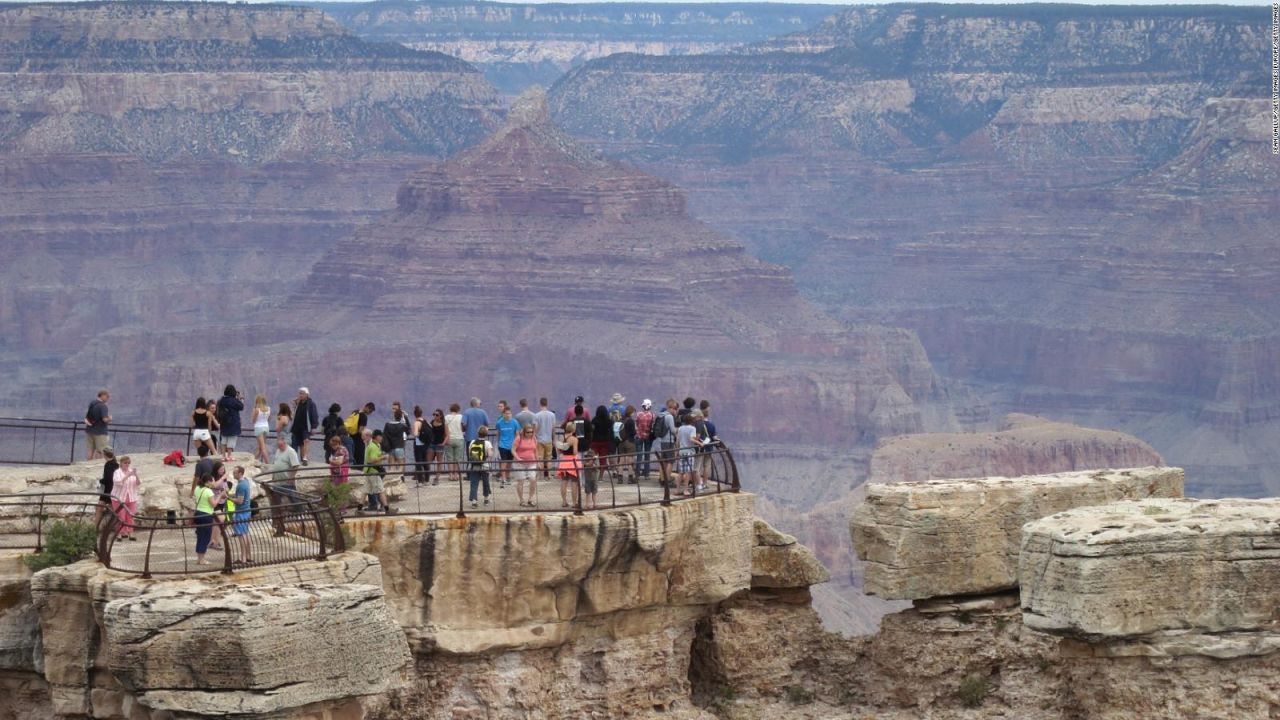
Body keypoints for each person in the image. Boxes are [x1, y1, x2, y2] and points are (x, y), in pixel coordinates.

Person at [676, 409, 706, 496]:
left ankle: (677, 490)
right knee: (688, 472)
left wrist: (677, 451)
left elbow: (677, 441)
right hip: (689, 452)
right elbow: (691, 439)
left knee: (680, 472)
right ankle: (685, 490)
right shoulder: (692, 428)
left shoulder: (680, 428)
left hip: (681, 451)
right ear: (691, 421)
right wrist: (700, 443)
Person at [110, 455, 140, 540]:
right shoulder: (117, 472)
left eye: (128, 463)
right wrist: (128, 476)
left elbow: (137, 483)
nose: (127, 464)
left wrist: (136, 475)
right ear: (121, 463)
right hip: (119, 498)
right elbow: (118, 482)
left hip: (131, 497)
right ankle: (120, 533)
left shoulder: (131, 471)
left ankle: (130, 532)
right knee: (120, 516)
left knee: (130, 516)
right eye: (125, 463)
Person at [229, 466, 253, 565]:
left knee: (241, 535)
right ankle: (248, 556)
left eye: (235, 473)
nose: (233, 475)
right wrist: (232, 495)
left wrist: (228, 498)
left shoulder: (241, 485)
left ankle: (243, 559)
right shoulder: (245, 482)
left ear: (240, 473)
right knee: (246, 533)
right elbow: (240, 496)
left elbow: (239, 501)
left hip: (241, 512)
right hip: (246, 511)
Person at [555, 420, 581, 508]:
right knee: (574, 483)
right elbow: (574, 452)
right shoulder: (574, 439)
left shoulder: (562, 438)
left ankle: (564, 501)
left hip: (564, 462)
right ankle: (574, 503)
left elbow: (559, 450)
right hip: (572, 462)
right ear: (574, 430)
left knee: (564, 482)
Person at [466, 426, 493, 508]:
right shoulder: (487, 443)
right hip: (484, 465)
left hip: (474, 465)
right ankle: (486, 499)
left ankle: (474, 502)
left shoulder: (472, 442)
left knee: (474, 483)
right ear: (486, 434)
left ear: (478, 433)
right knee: (485, 482)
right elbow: (490, 454)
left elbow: (469, 452)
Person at [216, 385, 245, 462]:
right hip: (233, 423)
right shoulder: (233, 400)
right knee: (231, 439)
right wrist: (241, 399)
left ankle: (223, 456)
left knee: (224, 440)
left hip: (224, 422)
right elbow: (241, 407)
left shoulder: (222, 400)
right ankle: (229, 455)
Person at [192, 475, 217, 566]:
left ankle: (200, 558)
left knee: (200, 536)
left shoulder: (197, 488)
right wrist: (220, 496)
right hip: (206, 515)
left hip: (198, 513)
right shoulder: (208, 491)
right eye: (213, 481)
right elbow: (213, 504)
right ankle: (202, 559)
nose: (214, 482)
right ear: (208, 481)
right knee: (205, 537)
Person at [291, 387, 319, 465]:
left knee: (306, 441)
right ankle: (301, 459)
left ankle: (305, 458)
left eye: (302, 393)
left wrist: (314, 427)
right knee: (300, 443)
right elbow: (293, 413)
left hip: (306, 426)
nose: (300, 395)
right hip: (297, 426)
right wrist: (294, 404)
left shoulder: (311, 404)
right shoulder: (298, 403)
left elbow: (314, 415)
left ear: (307, 395)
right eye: (299, 393)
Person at [493, 406, 519, 488]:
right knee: (503, 462)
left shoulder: (515, 422)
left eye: (510, 413)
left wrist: (517, 444)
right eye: (506, 413)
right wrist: (497, 443)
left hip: (511, 446)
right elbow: (498, 433)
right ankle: (503, 479)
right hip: (502, 445)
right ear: (503, 414)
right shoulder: (499, 423)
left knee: (509, 463)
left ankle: (507, 477)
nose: (508, 415)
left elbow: (517, 434)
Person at [383, 401, 410, 479]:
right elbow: (408, 429)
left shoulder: (403, 416)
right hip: (396, 443)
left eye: (395, 408)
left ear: (399, 408)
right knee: (397, 462)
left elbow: (408, 428)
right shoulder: (395, 419)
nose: (393, 410)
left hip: (399, 442)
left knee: (397, 462)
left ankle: (400, 478)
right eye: (393, 408)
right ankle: (397, 478)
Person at [363, 429, 388, 513]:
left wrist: (380, 455)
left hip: (369, 471)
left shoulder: (375, 445)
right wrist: (383, 457)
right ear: (377, 436)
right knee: (381, 490)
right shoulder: (373, 446)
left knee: (367, 490)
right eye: (381, 436)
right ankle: (385, 508)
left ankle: (360, 508)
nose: (382, 438)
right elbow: (371, 460)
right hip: (373, 471)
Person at [513, 424, 538, 507]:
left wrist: (538, 461)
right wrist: (517, 458)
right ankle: (521, 500)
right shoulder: (518, 438)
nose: (530, 434)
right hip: (520, 463)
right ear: (524, 432)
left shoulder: (533, 438)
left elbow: (535, 450)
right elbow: (513, 450)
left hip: (532, 462)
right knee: (521, 481)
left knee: (533, 479)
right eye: (528, 432)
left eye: (531, 432)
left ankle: (530, 498)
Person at [656, 399, 679, 488]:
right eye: (675, 408)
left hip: (662, 441)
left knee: (664, 461)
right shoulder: (669, 417)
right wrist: (679, 429)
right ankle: (668, 480)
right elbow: (673, 430)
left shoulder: (662, 415)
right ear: (671, 407)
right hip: (669, 441)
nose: (675, 410)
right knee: (670, 461)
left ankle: (662, 479)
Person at [84, 389, 111, 460]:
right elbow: (104, 419)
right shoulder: (103, 406)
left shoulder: (92, 403)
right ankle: (98, 465)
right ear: (103, 396)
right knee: (101, 450)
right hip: (100, 432)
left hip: (89, 430)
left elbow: (87, 417)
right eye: (107, 397)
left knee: (90, 449)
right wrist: (110, 418)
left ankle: (89, 464)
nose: (108, 398)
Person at [634, 399, 657, 480]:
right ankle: (646, 474)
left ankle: (637, 474)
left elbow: (636, 424)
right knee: (647, 455)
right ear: (650, 406)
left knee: (639, 455)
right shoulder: (652, 415)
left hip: (639, 436)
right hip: (648, 437)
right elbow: (653, 426)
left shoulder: (638, 414)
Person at [349, 402, 375, 471]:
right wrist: (367, 435)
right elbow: (360, 430)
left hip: (351, 437)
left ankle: (352, 471)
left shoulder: (355, 412)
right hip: (358, 440)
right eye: (370, 411)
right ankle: (359, 473)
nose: (370, 413)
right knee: (360, 458)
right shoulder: (363, 416)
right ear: (367, 407)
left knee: (352, 456)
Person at [443, 403, 465, 481]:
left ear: (450, 409)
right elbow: (463, 428)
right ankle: (456, 475)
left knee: (450, 459)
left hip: (450, 439)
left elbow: (445, 430)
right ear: (458, 409)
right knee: (458, 459)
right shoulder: (461, 417)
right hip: (459, 439)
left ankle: (450, 475)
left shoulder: (446, 417)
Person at [97, 448, 118, 525]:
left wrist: (100, 481)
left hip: (107, 490)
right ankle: (116, 529)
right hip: (112, 490)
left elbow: (108, 478)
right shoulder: (115, 464)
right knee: (113, 510)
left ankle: (95, 527)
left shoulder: (108, 464)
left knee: (99, 508)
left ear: (105, 455)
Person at [590, 405, 613, 474]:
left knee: (592, 458)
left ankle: (592, 473)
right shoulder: (609, 421)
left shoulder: (594, 420)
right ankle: (601, 476)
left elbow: (591, 430)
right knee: (603, 459)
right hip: (605, 442)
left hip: (595, 442)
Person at [617, 405, 638, 483]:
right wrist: (636, 429)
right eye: (633, 412)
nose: (634, 414)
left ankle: (620, 478)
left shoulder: (620, 419)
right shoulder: (631, 421)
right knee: (630, 460)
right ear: (631, 412)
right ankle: (630, 478)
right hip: (629, 441)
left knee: (621, 460)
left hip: (621, 442)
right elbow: (633, 432)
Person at [427, 408, 447, 485]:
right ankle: (426, 476)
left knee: (439, 462)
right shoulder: (431, 423)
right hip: (431, 444)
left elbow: (447, 435)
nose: (435, 416)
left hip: (440, 445)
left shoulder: (444, 424)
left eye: (437, 415)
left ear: (441, 416)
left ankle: (437, 478)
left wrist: (443, 443)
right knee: (428, 461)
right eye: (434, 414)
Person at [411, 405, 430, 487]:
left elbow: (415, 434)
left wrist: (416, 433)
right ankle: (427, 480)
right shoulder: (426, 421)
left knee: (418, 462)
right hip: (426, 445)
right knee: (425, 461)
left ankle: (420, 481)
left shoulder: (416, 423)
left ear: (415, 414)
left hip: (418, 445)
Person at [251, 394, 271, 464]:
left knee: (262, 448)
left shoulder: (257, 410)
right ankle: (253, 462)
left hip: (259, 428)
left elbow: (253, 420)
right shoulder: (268, 409)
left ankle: (268, 464)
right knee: (260, 448)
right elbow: (269, 419)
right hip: (266, 427)